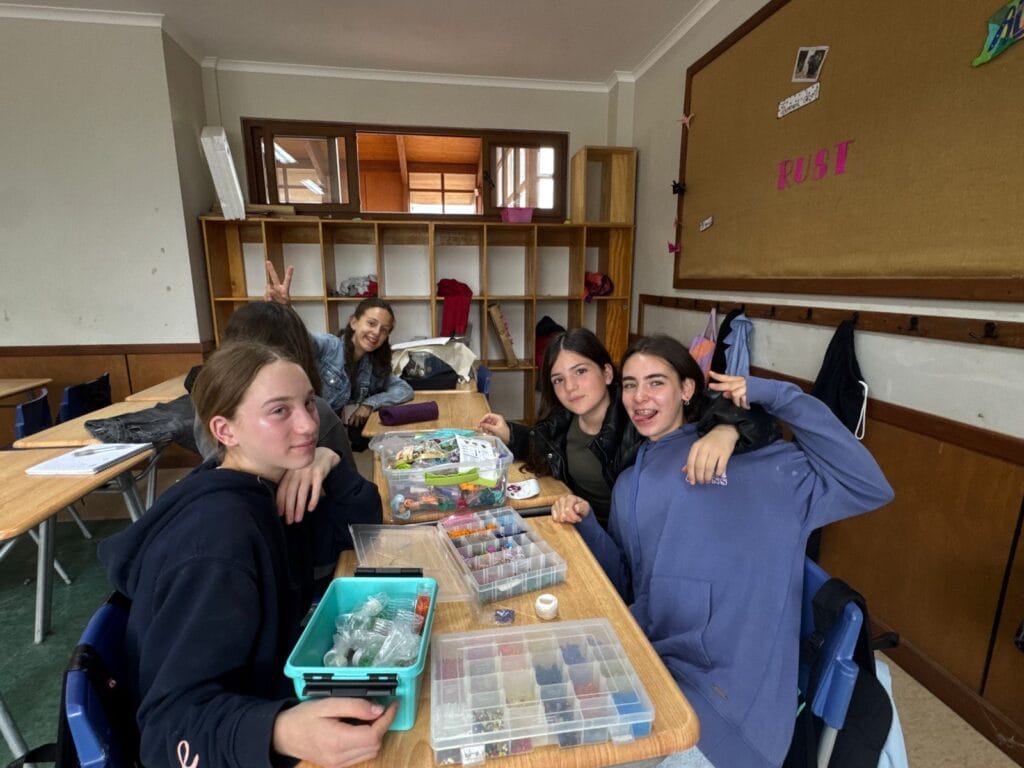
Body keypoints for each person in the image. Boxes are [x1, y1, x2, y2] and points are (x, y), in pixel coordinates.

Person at [554, 335, 894, 768]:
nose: (640, 397)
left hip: (730, 713)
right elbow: (627, 584)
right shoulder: (630, 483)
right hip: (656, 671)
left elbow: (868, 486)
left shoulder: (764, 467)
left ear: (687, 389)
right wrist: (585, 523)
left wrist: (775, 398)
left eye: (656, 382)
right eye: (630, 385)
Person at [99, 342, 390, 768]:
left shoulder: (266, 485)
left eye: (309, 402)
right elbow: (166, 732)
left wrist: (328, 461)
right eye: (279, 411)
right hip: (235, 738)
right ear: (225, 430)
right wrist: (280, 731)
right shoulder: (219, 543)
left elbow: (362, 532)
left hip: (266, 689)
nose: (309, 424)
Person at [477, 328, 779, 528]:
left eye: (581, 371)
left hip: (627, 540)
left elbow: (728, 410)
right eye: (558, 380)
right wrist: (510, 433)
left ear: (607, 373)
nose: (570, 387)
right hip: (582, 526)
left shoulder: (641, 414)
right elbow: (542, 442)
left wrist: (727, 429)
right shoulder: (564, 419)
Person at [265, 262, 413, 448]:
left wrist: (369, 404)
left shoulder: (372, 364)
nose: (376, 333)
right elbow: (302, 340)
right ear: (354, 322)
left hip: (327, 432)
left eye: (384, 330)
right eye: (371, 323)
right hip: (298, 430)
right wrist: (285, 308)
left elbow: (404, 389)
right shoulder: (330, 346)